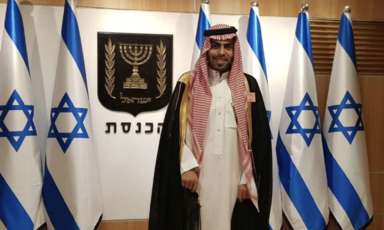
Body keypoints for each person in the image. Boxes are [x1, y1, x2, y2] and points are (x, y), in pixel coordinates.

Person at [149, 24, 272, 230]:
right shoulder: (188, 83)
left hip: (235, 179)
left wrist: (246, 179)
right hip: (197, 176)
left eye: (227, 46)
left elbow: (256, 138)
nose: (221, 52)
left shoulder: (248, 85)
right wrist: (186, 166)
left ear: (235, 51)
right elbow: (175, 134)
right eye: (215, 46)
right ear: (207, 49)